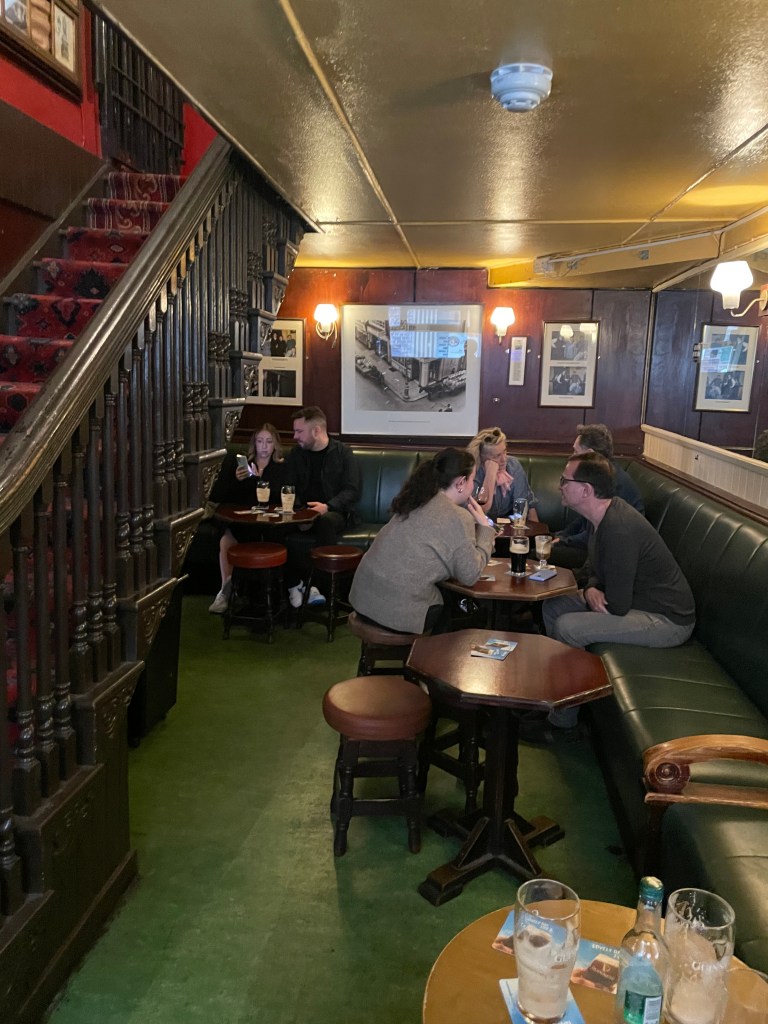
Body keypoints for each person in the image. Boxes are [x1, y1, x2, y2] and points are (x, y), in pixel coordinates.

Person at [534, 452, 695, 740]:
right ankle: (556, 699)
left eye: (564, 480)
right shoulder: (601, 517)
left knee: (568, 626)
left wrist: (590, 592)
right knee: (554, 605)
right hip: (636, 605)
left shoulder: (619, 528)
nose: (560, 486)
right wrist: (592, 588)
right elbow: (594, 571)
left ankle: (563, 722)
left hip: (666, 621)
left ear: (585, 490)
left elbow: (617, 605)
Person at [349, 448, 496, 634]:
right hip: (394, 612)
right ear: (461, 482)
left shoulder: (416, 498)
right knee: (457, 610)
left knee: (446, 596)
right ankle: (433, 659)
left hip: (364, 599)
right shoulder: (457, 516)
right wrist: (485, 528)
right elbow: (470, 575)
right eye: (472, 480)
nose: (472, 487)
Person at [283, 406, 361, 608]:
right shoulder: (296, 454)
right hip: (302, 512)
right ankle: (293, 584)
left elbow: (352, 491)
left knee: (325, 522)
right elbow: (288, 487)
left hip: (334, 513)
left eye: (299, 431)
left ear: (316, 431)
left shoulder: (343, 453)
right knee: (277, 525)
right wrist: (302, 513)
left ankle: (315, 587)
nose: (295, 436)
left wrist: (327, 506)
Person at [208, 424, 286, 613]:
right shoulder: (241, 465)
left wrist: (260, 481)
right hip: (243, 520)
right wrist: (238, 479)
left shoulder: (281, 467)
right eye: (260, 441)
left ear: (275, 444)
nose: (264, 446)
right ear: (254, 444)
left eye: (268, 442)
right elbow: (225, 497)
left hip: (268, 523)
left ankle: (239, 588)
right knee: (226, 538)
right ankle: (225, 589)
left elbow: (281, 497)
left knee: (266, 534)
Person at [551, 423, 644, 566]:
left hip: (610, 553)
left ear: (589, 454)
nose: (571, 457)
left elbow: (599, 533)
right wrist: (562, 535)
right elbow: (584, 520)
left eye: (576, 452)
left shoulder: (612, 482)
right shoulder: (600, 475)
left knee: (535, 554)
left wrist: (565, 541)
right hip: (592, 544)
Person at [467, 426, 538, 522]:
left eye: (504, 451)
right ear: (482, 457)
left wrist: (536, 535)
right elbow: (479, 512)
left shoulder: (513, 465)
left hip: (510, 527)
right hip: (482, 528)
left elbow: (524, 507)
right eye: (497, 456)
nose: (504, 459)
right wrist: (490, 474)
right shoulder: (473, 473)